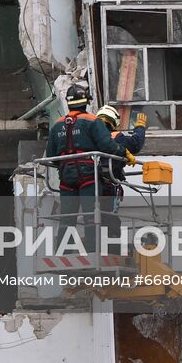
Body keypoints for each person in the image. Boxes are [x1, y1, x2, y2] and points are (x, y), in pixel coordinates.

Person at [46, 94, 135, 254]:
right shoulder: (92, 121)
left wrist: (67, 164)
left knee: (67, 217)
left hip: (66, 177)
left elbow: (51, 154)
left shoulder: (57, 125)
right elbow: (107, 145)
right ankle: (93, 251)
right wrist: (124, 152)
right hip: (88, 175)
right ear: (85, 104)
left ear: (69, 104)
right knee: (91, 215)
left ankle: (62, 252)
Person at [95, 105, 148, 237]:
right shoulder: (115, 136)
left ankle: (95, 244)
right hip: (109, 185)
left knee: (95, 217)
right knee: (109, 218)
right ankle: (112, 248)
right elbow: (135, 144)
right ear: (113, 121)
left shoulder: (92, 138)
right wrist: (140, 127)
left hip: (91, 185)